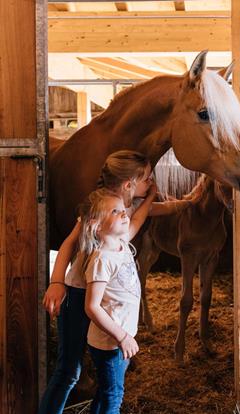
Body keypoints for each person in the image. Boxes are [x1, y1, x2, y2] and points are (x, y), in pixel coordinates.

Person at [40, 150, 190, 414]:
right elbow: (69, 244)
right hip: (79, 293)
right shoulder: (99, 208)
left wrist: (184, 202)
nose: (151, 183)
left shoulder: (122, 212)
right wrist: (56, 282)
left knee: (106, 374)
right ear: (128, 185)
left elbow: (147, 213)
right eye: (146, 179)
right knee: (70, 371)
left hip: (105, 299)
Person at [82, 187, 154, 413]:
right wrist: (122, 337)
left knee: (106, 391)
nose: (124, 214)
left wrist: (151, 197)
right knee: (114, 396)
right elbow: (92, 307)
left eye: (123, 210)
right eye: (115, 211)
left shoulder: (121, 241)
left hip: (119, 339)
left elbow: (138, 218)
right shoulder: (102, 259)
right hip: (110, 343)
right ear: (96, 224)